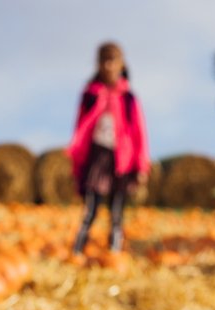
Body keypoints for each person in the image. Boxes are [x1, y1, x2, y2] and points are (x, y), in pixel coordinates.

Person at [67, 42, 150, 255]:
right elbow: (80, 127)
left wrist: (141, 165)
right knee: (91, 208)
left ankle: (114, 251)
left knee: (116, 210)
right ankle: (77, 250)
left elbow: (139, 133)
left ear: (121, 64)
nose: (108, 65)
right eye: (104, 60)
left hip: (122, 159)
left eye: (112, 60)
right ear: (98, 64)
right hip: (97, 156)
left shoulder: (129, 98)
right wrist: (76, 157)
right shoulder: (90, 94)